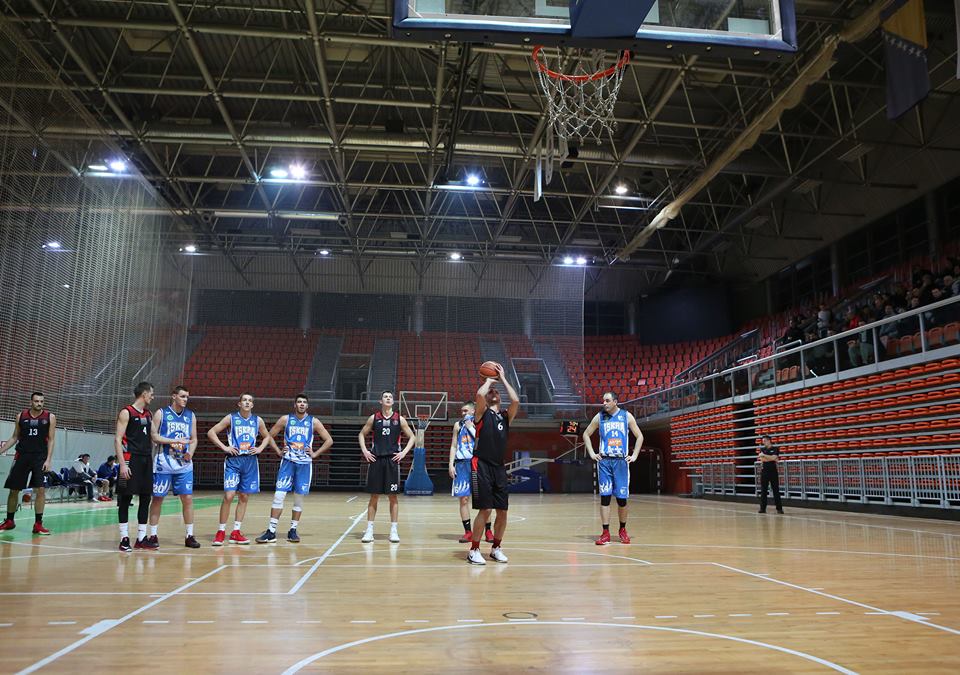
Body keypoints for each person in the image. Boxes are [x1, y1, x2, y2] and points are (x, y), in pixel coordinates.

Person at [256, 394, 333, 544]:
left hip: (304, 464)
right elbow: (268, 436)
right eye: (299, 402)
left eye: (304, 402)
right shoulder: (285, 419)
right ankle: (271, 531)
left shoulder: (313, 421)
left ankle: (293, 530)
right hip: (288, 462)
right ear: (295, 405)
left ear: (307, 406)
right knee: (279, 495)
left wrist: (315, 453)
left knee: (298, 498)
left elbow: (329, 440)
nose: (302, 404)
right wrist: (278, 451)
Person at [466, 364, 520, 565]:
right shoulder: (481, 413)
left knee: (503, 511)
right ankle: (474, 550)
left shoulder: (505, 416)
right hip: (480, 464)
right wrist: (488, 381)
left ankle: (496, 548)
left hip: (498, 467)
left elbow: (515, 400)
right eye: (492, 392)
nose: (493, 393)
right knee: (486, 509)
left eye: (496, 392)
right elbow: (479, 395)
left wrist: (503, 378)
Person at [207, 393, 270, 545]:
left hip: (250, 461)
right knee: (229, 496)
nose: (247, 402)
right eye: (244, 400)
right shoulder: (231, 418)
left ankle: (236, 531)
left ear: (252, 405)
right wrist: (225, 447)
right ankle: (221, 531)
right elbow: (211, 432)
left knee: (244, 497)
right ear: (239, 404)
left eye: (250, 401)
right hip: (234, 461)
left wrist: (260, 448)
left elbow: (267, 436)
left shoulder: (258, 420)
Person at [582, 392, 644, 545]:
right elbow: (586, 434)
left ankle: (622, 530)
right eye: (603, 400)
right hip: (604, 462)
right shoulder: (600, 417)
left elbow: (640, 436)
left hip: (621, 462)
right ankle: (605, 532)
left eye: (607, 400)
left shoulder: (626, 416)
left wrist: (635, 455)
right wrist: (592, 453)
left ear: (615, 402)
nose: (604, 403)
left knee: (622, 499)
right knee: (605, 497)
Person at [358, 390, 416, 543]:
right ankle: (369, 530)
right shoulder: (374, 418)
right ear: (381, 401)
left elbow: (412, 437)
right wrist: (365, 451)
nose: (388, 399)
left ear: (393, 401)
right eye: (385, 397)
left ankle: (394, 531)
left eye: (390, 397)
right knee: (374, 496)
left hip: (392, 461)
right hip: (376, 459)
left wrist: (403, 452)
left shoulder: (399, 419)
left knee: (393, 497)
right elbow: (361, 434)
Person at [148, 385, 200, 549]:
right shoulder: (161, 413)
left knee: (188, 498)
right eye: (183, 396)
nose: (185, 399)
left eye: (187, 397)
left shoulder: (190, 415)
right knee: (158, 498)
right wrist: (174, 441)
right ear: (174, 396)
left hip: (184, 464)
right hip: (163, 462)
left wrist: (190, 452)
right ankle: (152, 535)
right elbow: (154, 436)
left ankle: (189, 535)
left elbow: (194, 439)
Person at [0, 392, 56, 534]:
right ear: (31, 401)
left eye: (41, 401)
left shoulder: (50, 417)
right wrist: (1, 450)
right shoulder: (21, 416)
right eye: (36, 401)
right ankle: (9, 521)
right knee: (14, 490)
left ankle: (38, 524)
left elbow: (51, 439)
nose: (39, 403)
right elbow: (14, 437)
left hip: (40, 458)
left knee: (40, 490)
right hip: (22, 456)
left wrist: (48, 460)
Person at [116, 381, 157, 552]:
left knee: (146, 498)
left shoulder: (148, 414)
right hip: (130, 459)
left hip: (146, 459)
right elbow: (118, 439)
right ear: (144, 394)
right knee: (125, 499)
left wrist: (176, 441)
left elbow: (155, 436)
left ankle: (141, 538)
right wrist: (122, 465)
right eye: (151, 394)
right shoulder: (126, 412)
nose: (152, 397)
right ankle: (124, 538)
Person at [447, 402, 493, 544]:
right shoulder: (457, 425)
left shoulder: (481, 423)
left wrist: (470, 427)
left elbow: (484, 443)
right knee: (463, 499)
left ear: (473, 411)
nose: (463, 413)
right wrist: (451, 464)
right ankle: (468, 532)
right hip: (461, 464)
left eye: (466, 410)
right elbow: (454, 445)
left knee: (485, 499)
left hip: (478, 463)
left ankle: (488, 531)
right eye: (462, 411)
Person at [757, 435, 784, 514]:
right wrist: (771, 458)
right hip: (764, 472)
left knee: (776, 490)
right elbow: (763, 459)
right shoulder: (762, 449)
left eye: (764, 441)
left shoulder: (775, 449)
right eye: (763, 441)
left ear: (769, 441)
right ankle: (762, 509)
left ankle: (779, 509)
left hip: (773, 472)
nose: (763, 443)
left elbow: (774, 458)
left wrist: (765, 456)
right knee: (763, 490)